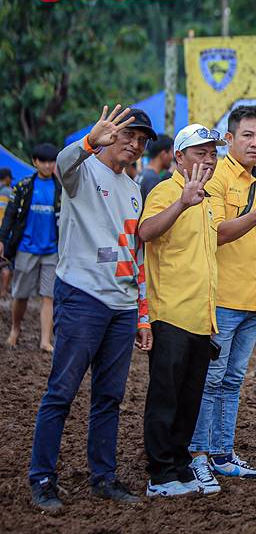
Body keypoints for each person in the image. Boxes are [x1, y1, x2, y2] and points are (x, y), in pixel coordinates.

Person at [28, 104, 155, 512]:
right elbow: (64, 162)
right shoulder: (80, 173)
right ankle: (42, 478)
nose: (134, 144)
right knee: (61, 392)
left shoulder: (134, 190)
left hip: (121, 305)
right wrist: (86, 141)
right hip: (82, 296)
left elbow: (135, 253)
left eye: (141, 139)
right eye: (128, 134)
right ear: (109, 134)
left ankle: (104, 477)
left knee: (109, 397)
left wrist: (141, 312)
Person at [188, 106, 256, 491]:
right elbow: (214, 233)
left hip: (252, 300)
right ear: (229, 139)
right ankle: (198, 455)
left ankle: (223, 453)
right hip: (221, 298)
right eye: (248, 135)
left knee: (233, 380)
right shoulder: (214, 177)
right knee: (211, 378)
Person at [139, 124, 224, 497]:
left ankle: (178, 464)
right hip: (170, 312)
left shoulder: (207, 200)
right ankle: (159, 474)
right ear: (179, 157)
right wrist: (181, 203)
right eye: (200, 153)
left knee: (189, 398)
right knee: (166, 396)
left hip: (200, 316)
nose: (208, 160)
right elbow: (146, 232)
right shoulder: (166, 191)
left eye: (212, 153)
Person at [0, 144, 61, 352]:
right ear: (35, 162)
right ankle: (15, 330)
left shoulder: (60, 188)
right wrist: (2, 238)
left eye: (51, 161)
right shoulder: (24, 186)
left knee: (49, 296)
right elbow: (10, 214)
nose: (47, 165)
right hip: (26, 247)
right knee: (21, 294)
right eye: (43, 161)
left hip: (52, 250)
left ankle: (45, 340)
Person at [140, 134, 173, 201]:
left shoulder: (142, 173)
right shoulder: (153, 179)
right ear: (163, 154)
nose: (172, 157)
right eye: (171, 152)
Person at [0, 167, 11, 297]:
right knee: (5, 262)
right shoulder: (9, 191)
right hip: (4, 231)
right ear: (7, 178)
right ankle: (3, 292)